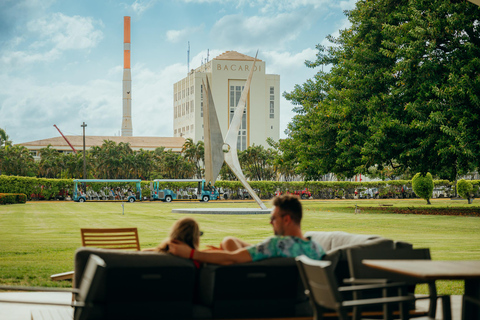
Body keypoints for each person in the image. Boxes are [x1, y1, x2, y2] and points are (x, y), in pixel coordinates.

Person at [168, 194, 325, 265]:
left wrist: (191, 253)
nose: (270, 223)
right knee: (229, 241)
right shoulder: (316, 249)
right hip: (302, 305)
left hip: (264, 302)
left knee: (229, 244)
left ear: (287, 219)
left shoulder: (277, 245)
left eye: (273, 218)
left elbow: (233, 258)